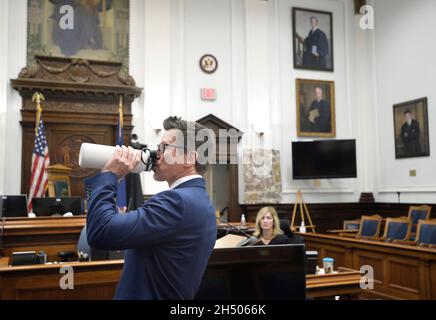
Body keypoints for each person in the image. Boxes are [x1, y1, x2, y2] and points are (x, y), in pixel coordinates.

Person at [85, 116, 217, 300]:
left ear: (189, 158)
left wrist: (110, 176)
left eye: (164, 147)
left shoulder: (177, 202)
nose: (156, 153)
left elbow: (101, 231)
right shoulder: (199, 200)